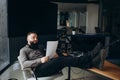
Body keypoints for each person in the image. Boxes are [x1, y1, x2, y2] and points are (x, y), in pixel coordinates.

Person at [19, 32, 106, 77]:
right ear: (27, 39)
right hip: (38, 71)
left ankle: (92, 62)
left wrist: (54, 54)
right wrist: (40, 60)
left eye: (36, 37)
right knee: (61, 60)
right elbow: (24, 64)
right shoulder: (23, 50)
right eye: (33, 37)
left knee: (64, 57)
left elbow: (47, 55)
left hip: (48, 65)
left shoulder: (40, 47)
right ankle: (91, 56)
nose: (36, 39)